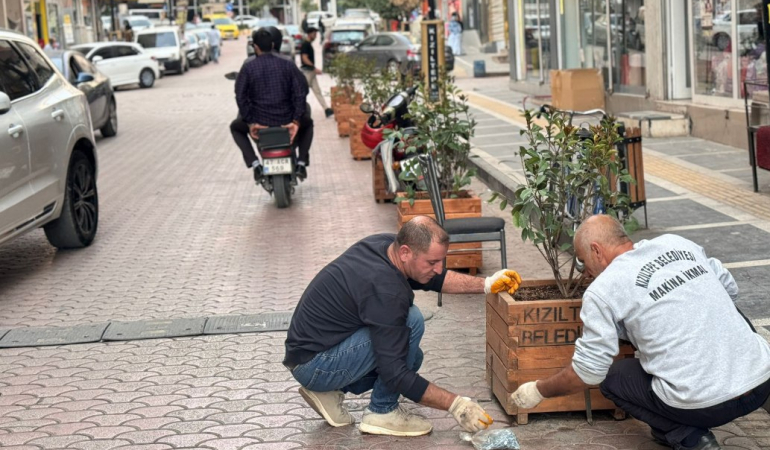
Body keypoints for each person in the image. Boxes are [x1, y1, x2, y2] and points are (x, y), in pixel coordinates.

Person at [510, 215, 770, 450]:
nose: (586, 273)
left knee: (613, 378)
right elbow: (729, 289)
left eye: (582, 262)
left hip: (703, 407)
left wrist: (539, 390)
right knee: (731, 313)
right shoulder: (677, 243)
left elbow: (589, 372)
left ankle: (689, 436)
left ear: (596, 250)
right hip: (761, 383)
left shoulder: (604, 289)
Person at [285, 216, 523, 436]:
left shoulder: (385, 246)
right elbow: (394, 373)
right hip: (316, 365)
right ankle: (382, 412)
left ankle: (329, 392)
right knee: (412, 321)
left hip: (310, 355)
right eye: (432, 261)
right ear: (406, 252)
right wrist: (456, 404)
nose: (439, 268)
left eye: (441, 260)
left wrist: (487, 284)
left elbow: (435, 278)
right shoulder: (386, 290)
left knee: (413, 356)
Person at [235, 28, 311, 180]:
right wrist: (295, 120)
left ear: (255, 47)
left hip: (260, 122)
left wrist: (251, 123)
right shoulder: (288, 63)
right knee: (308, 124)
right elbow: (300, 93)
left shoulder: (248, 66)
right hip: (287, 120)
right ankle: (301, 162)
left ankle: (255, 164)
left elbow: (240, 96)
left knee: (235, 128)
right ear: (273, 44)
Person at [300, 27, 333, 118]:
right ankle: (298, 110)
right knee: (302, 91)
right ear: (309, 34)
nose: (315, 36)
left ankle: (327, 109)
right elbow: (304, 58)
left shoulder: (308, 44)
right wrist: (314, 68)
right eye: (314, 34)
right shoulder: (305, 45)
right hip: (307, 72)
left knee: (317, 91)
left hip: (311, 72)